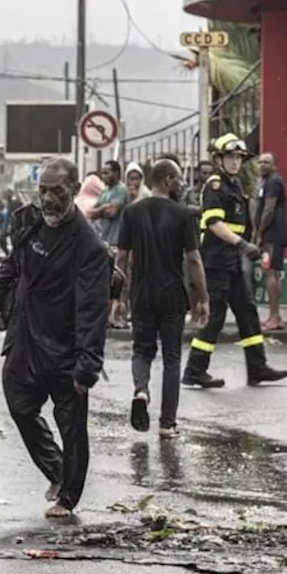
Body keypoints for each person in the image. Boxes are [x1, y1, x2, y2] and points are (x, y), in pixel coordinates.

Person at [0, 158, 110, 519]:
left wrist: (88, 364)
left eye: (57, 191)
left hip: (65, 345)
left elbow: (92, 309)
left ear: (73, 190)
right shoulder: (29, 220)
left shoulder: (89, 247)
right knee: (19, 404)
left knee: (71, 425)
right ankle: (56, 470)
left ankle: (68, 497)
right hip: (26, 336)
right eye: (43, 191)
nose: (49, 199)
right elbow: (14, 263)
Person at [182, 133, 287, 389]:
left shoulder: (235, 185)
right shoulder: (215, 186)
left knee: (248, 312)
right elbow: (214, 223)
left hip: (231, 260)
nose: (234, 162)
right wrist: (242, 244)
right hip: (217, 260)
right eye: (229, 157)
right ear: (219, 159)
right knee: (215, 316)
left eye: (238, 157)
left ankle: (257, 368)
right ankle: (195, 370)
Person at [117, 159, 210, 438]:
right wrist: (203, 297)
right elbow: (193, 259)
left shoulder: (131, 213)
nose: (181, 183)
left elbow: (121, 258)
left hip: (141, 293)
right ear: (167, 180)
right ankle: (167, 424)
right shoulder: (183, 215)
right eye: (179, 178)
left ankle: (141, 391)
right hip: (172, 292)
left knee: (142, 350)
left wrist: (118, 297)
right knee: (171, 357)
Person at [88, 160, 131, 328]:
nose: (104, 176)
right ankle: (108, 316)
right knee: (108, 281)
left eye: (107, 172)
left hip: (120, 241)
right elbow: (91, 213)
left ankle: (120, 315)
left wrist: (103, 210)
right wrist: (103, 208)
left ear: (117, 173)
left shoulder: (121, 190)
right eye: (103, 172)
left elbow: (112, 213)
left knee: (122, 280)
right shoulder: (105, 191)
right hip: (105, 241)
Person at [255, 152, 287, 331]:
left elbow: (268, 209)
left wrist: (259, 233)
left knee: (271, 273)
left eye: (266, 162)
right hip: (270, 235)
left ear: (275, 164)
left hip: (272, 235)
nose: (262, 165)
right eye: (260, 162)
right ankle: (273, 316)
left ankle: (275, 317)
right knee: (271, 273)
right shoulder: (265, 182)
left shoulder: (274, 181)